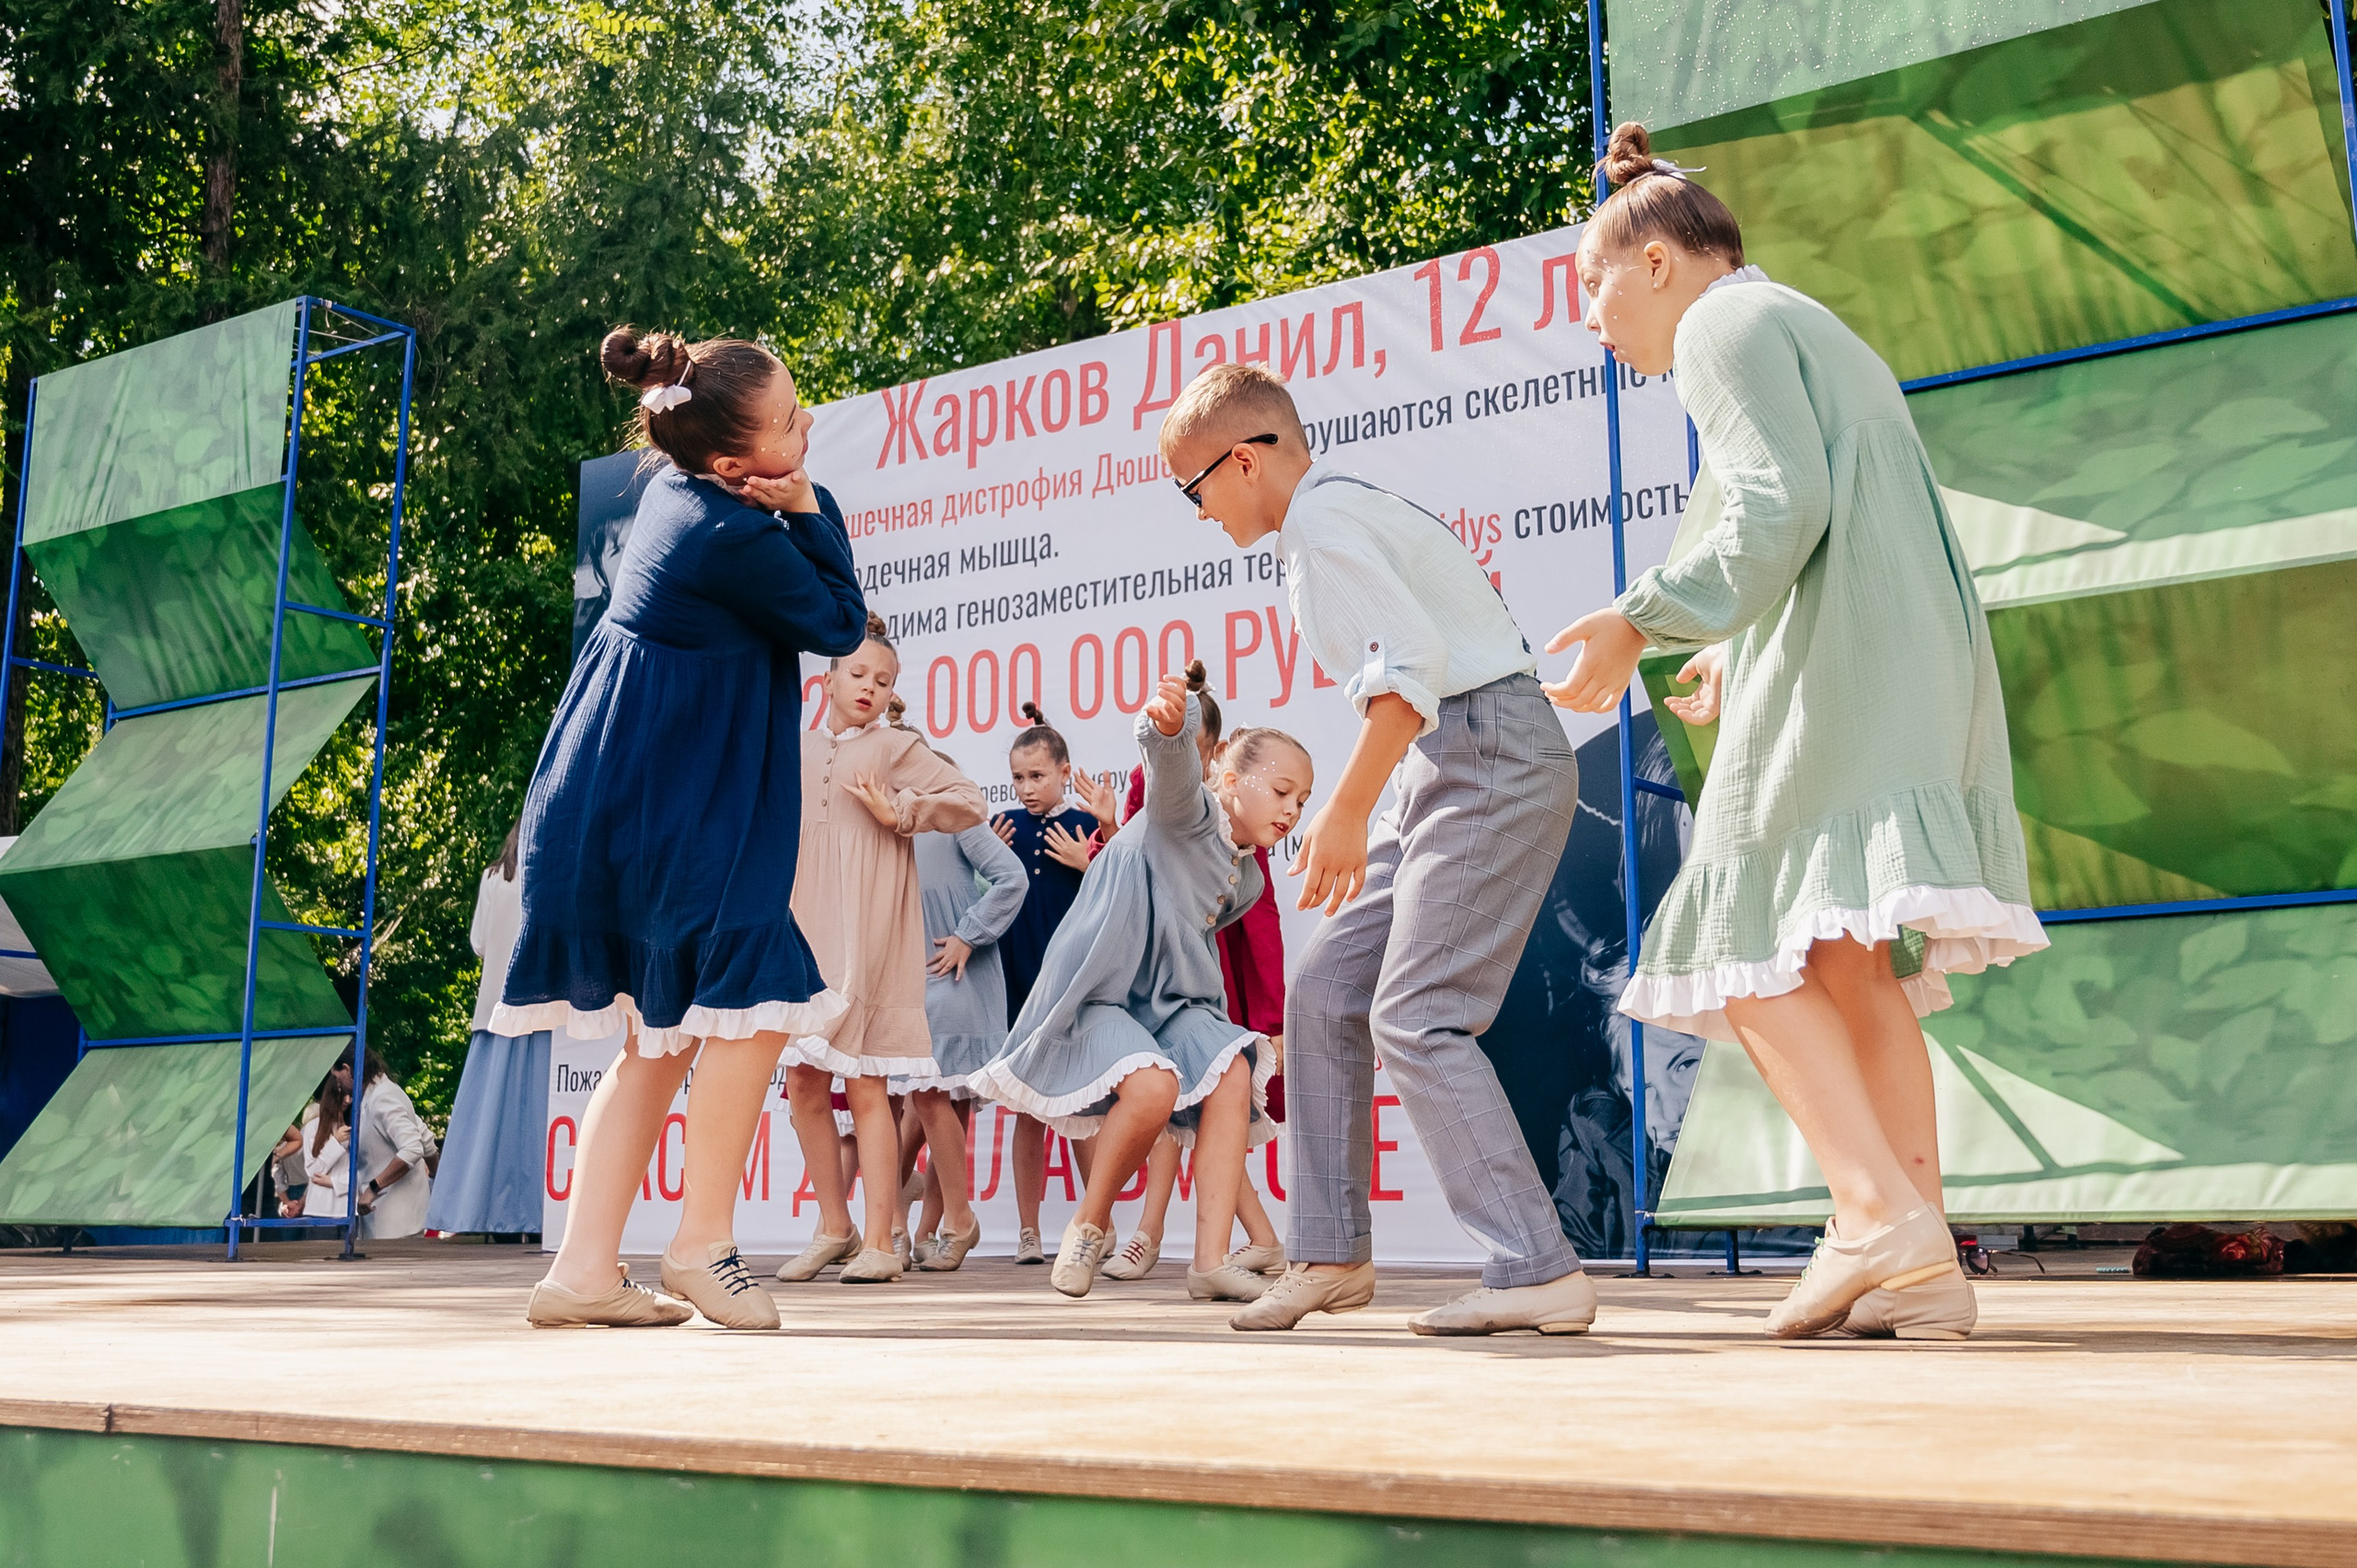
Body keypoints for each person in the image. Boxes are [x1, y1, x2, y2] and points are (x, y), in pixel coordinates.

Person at [1542, 124, 2045, 1342]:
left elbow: (1782, 501)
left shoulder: (1722, 326)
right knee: (1838, 957)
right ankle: (1917, 1252)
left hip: (1853, 664)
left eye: (1592, 285)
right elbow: (1823, 516)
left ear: (1656, 261)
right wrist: (1726, 647)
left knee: (1740, 933)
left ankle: (1875, 1213)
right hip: (1886, 650)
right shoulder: (1790, 320)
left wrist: (1641, 618)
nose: (1591, 318)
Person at [1160, 360, 1594, 1337]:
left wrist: (1348, 808)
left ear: (1240, 461)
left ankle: (1536, 1266)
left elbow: (1412, 672)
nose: (1195, 512)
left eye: (1193, 489)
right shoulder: (1326, 521)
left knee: (1418, 1011)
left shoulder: (1324, 522)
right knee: (1322, 992)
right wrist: (1378, 801)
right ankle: (1329, 1256)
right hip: (1442, 764)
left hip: (1485, 755)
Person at [495, 326, 868, 1330]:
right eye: (792, 419)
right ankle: (702, 1244)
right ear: (733, 462)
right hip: (673, 803)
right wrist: (813, 507)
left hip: (621, 790)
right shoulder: (732, 533)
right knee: (756, 999)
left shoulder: (672, 488)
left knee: (658, 1041)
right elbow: (838, 625)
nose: (809, 422)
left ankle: (581, 1271)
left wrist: (789, 497)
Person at [971, 673, 1312, 1300]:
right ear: (1230, 781)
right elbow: (1171, 765)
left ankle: (1210, 1260)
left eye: (1303, 799)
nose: (1292, 809)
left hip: (1172, 1002)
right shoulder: (1190, 811)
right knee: (1153, 1088)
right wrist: (1168, 725)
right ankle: (1088, 1223)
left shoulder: (1247, 881)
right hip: (1107, 990)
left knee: (1233, 1068)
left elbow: (1197, 937)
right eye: (1284, 791)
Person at [773, 617, 985, 1284]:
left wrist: (906, 812)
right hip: (803, 931)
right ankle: (834, 1227)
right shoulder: (797, 746)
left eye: (883, 679)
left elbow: (969, 801)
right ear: (828, 678)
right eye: (858, 673)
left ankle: (880, 1241)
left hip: (866, 933)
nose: (869, 686)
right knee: (802, 1081)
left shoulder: (896, 745)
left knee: (866, 1080)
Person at [1091, 665, 1287, 1293]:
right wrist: (1105, 833)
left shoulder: (1241, 826)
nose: (1188, 752)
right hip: (1154, 974)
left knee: (1206, 1099)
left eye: (1199, 743)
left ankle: (1162, 1235)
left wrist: (1273, 1021)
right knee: (1189, 1104)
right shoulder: (1160, 789)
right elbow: (1137, 865)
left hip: (1208, 978)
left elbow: (1261, 923)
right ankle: (1255, 1240)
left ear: (1217, 753)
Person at [897, 738, 1027, 1271]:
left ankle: (958, 1218)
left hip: (954, 976)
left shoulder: (958, 817)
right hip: (907, 977)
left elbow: (1012, 879)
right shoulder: (894, 827)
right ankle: (924, 1230)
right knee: (941, 1106)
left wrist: (967, 936)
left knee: (930, 1093)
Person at [989, 704, 1102, 1263]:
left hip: (1070, 986)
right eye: (1017, 778)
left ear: (1064, 771)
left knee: (1080, 1110)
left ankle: (1091, 1225)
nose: (1027, 788)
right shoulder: (1003, 829)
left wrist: (1088, 862)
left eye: (1037, 776)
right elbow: (982, 899)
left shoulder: (1086, 827)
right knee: (1029, 1111)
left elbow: (1119, 899)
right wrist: (989, 857)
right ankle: (1028, 1232)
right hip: (1018, 985)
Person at [425, 821, 552, 1237]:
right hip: (541, 1006)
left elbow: (478, 942)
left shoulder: (492, 877)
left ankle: (485, 1216)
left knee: (489, 1123)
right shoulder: (550, 871)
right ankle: (537, 1217)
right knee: (537, 1121)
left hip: (495, 1009)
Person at [328, 1048, 433, 1239]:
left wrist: (373, 1188)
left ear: (347, 1069)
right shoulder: (378, 1094)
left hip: (398, 1223)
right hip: (385, 1219)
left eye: (337, 1078)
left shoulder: (384, 1097)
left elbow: (412, 1148)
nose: (339, 1086)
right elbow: (426, 1138)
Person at [298, 1075, 352, 1220]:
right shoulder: (313, 1127)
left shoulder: (358, 1127)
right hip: (319, 1210)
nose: (347, 1100)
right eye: (342, 1094)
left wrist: (334, 1182)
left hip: (348, 1209)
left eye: (351, 1095)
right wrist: (336, 1142)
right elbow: (313, 1171)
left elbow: (365, 1172)